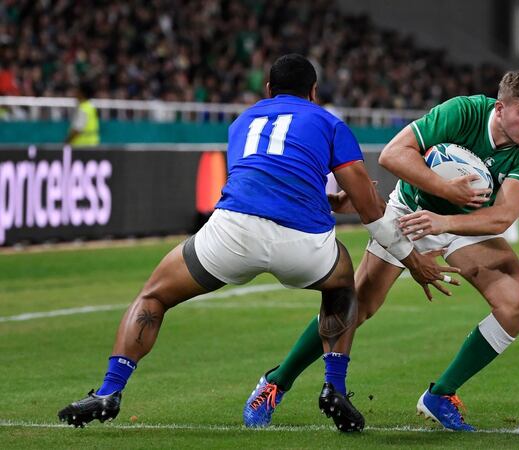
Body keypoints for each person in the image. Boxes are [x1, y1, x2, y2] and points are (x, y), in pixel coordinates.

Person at [57, 54, 457, 432]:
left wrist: (323, 200)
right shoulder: (329, 122)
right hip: (302, 245)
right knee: (341, 283)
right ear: (314, 91)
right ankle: (334, 385)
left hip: (232, 234)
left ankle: (110, 391)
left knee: (153, 298)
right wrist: (409, 257)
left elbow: (264, 182)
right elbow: (369, 208)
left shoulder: (241, 122)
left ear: (268, 88)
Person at [245, 69, 519, 431]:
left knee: (518, 306)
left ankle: (440, 395)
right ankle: (275, 383)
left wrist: (445, 222)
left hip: (464, 223)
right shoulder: (463, 112)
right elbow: (392, 155)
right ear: (499, 108)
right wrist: (444, 188)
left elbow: (501, 217)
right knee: (355, 306)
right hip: (409, 212)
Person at [65, 81, 100, 147]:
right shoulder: (91, 106)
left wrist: (66, 142)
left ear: (82, 93)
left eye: (77, 90)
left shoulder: (82, 109)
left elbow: (77, 130)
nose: (75, 92)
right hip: (93, 144)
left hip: (81, 147)